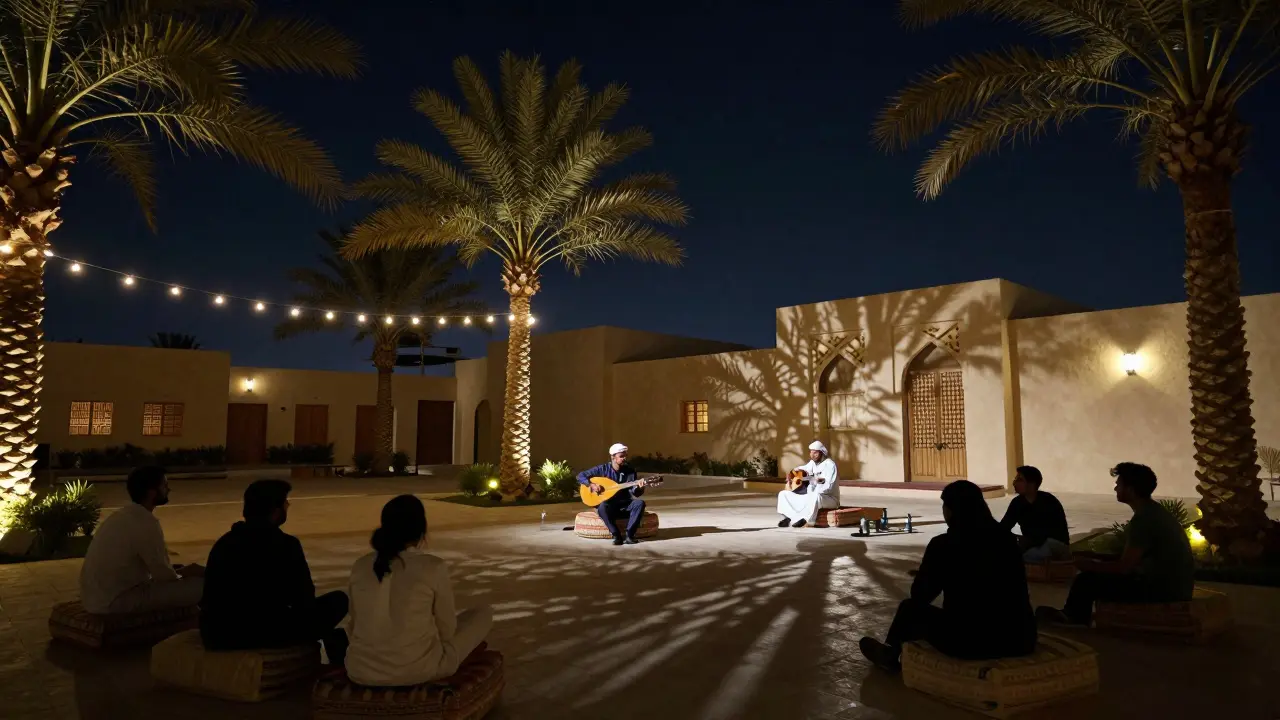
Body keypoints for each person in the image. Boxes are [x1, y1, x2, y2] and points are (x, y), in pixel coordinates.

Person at [859, 480, 1037, 674]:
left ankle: (891, 655)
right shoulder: (1006, 539)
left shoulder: (944, 545)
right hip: (1020, 638)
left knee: (909, 609)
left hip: (973, 641)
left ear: (951, 510)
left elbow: (920, 595)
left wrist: (930, 572)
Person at [345, 495, 493, 686]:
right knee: (483, 614)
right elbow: (447, 629)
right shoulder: (433, 567)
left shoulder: (361, 565)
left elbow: (353, 623)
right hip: (420, 670)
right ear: (420, 530)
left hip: (360, 670)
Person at [200, 479, 349, 665]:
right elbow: (303, 599)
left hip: (217, 633)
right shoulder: (285, 544)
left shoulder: (225, 542)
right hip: (258, 632)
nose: (288, 505)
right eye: (285, 502)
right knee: (338, 601)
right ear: (276, 510)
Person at [1038, 462, 1194, 626]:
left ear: (1131, 490)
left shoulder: (1144, 519)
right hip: (1175, 585)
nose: (1115, 489)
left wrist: (1089, 565)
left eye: (1118, 484)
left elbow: (1124, 567)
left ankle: (1072, 617)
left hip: (1164, 589)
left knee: (1086, 580)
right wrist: (1094, 558)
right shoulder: (1153, 512)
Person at [78, 466, 204, 614]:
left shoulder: (121, 515)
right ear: (152, 493)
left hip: (95, 599)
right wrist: (187, 572)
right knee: (202, 585)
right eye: (164, 486)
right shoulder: (146, 522)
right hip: (115, 601)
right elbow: (163, 575)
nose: (168, 490)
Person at [578, 443, 650, 545]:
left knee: (639, 503)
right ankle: (616, 535)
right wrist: (591, 485)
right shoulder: (602, 469)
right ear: (613, 457)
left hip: (624, 504)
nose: (624, 458)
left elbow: (635, 493)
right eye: (621, 456)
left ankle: (630, 535)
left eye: (625, 456)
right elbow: (581, 475)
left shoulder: (630, 471)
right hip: (609, 505)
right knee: (602, 507)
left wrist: (640, 487)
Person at [999, 465, 1071, 562]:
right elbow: (1004, 527)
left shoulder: (1049, 501)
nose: (1015, 483)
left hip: (1054, 545)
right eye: (1016, 479)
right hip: (1034, 547)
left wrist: (1027, 541)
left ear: (1031, 484)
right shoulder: (1017, 503)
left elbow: (1054, 535)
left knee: (1030, 556)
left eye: (1020, 479)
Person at [776, 441, 839, 528]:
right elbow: (802, 468)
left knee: (815, 496)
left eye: (815, 453)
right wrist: (791, 474)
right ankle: (789, 518)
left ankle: (808, 521)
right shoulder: (813, 463)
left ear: (822, 453)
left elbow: (829, 487)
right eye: (811, 452)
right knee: (783, 494)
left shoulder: (830, 465)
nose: (812, 455)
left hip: (828, 498)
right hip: (811, 495)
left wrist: (816, 484)